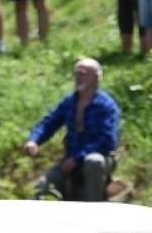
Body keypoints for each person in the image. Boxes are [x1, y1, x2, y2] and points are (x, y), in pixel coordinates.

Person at [23, 56, 121, 201]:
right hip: (70, 157)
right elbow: (49, 122)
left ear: (96, 77)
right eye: (76, 73)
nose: (78, 77)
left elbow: (107, 141)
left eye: (83, 73)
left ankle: (96, 207)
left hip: (100, 157)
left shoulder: (107, 106)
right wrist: (34, 141)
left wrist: (77, 158)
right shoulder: (70, 102)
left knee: (93, 161)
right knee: (43, 186)